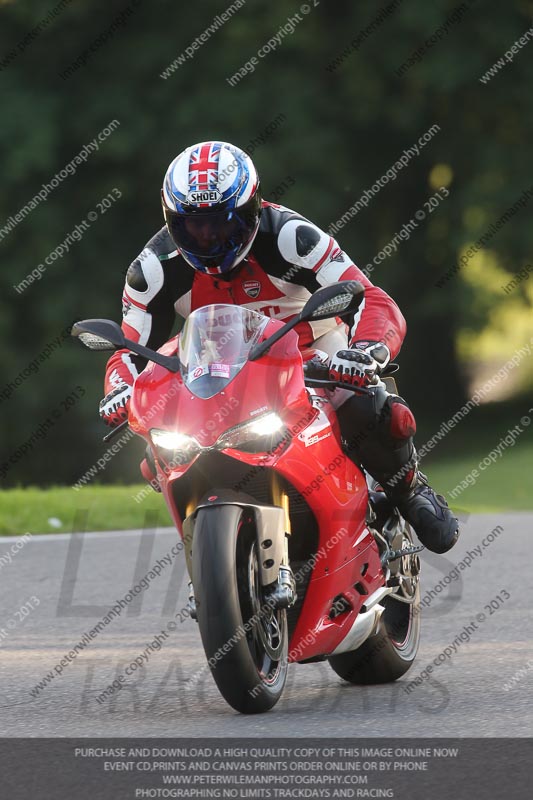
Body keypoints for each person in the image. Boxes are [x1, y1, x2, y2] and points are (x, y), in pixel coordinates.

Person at [100, 140, 458, 554]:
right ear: (171, 220)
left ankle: (408, 489)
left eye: (223, 223)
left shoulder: (292, 238)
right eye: (194, 226)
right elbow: (128, 350)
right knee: (158, 448)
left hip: (314, 352)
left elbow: (371, 298)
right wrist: (120, 390)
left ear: (252, 209)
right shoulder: (152, 271)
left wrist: (367, 351)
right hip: (219, 374)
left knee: (367, 405)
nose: (210, 237)